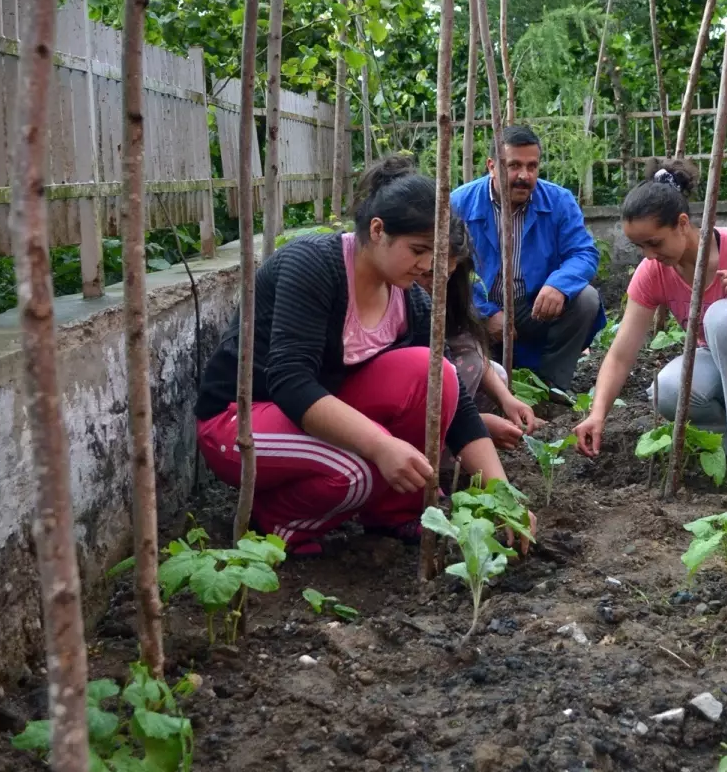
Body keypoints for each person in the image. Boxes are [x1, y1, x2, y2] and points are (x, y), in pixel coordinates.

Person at [195, 157, 523, 554]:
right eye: (418, 250)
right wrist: (380, 445)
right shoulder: (313, 265)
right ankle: (275, 523)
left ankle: (394, 514)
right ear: (378, 230)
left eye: (434, 256)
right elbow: (291, 381)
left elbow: (447, 398)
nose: (426, 266)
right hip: (239, 420)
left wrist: (506, 500)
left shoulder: (410, 299)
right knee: (359, 471)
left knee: (434, 372)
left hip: (307, 418)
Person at [574, 158, 727, 479]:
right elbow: (621, 353)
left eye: (654, 242)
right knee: (667, 391)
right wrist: (597, 415)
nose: (649, 255)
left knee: (722, 316)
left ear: (683, 223)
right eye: (640, 246)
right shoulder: (654, 271)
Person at [451, 123, 605, 392]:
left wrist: (559, 284)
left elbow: (583, 252)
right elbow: (446, 269)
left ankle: (552, 385)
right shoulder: (460, 204)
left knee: (585, 299)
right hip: (473, 310)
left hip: (533, 307)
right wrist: (484, 313)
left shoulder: (559, 201)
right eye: (514, 166)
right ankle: (480, 386)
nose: (524, 175)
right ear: (491, 166)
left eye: (532, 166)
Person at [419, 214, 544, 452]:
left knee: (491, 370)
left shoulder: (449, 293)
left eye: (447, 274)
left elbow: (465, 344)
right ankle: (443, 449)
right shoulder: (403, 296)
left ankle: (461, 448)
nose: (436, 282)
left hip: (443, 395)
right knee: (458, 368)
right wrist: (478, 424)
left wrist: (507, 400)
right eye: (429, 273)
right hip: (408, 407)